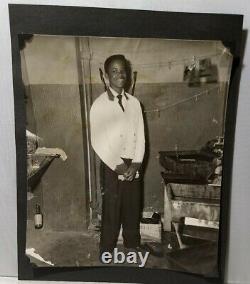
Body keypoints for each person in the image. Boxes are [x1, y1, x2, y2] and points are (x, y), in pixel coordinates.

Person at [90, 54, 145, 255]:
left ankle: (132, 244)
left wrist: (136, 164)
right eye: (114, 71)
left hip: (133, 163)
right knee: (112, 207)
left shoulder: (135, 103)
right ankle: (107, 247)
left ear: (128, 75)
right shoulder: (99, 105)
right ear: (106, 76)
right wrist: (119, 166)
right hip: (111, 163)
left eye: (122, 70)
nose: (119, 74)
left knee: (132, 205)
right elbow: (98, 140)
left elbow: (141, 136)